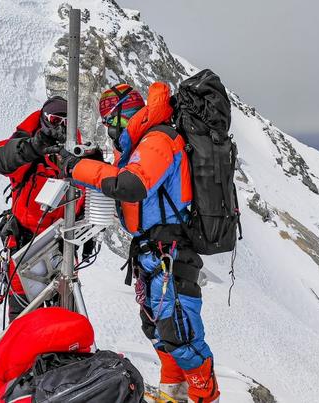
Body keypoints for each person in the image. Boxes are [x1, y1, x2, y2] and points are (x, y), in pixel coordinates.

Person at [58, 82, 220, 402]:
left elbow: (131, 185)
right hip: (151, 254)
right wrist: (92, 164)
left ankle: (205, 396)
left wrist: (76, 167)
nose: (106, 125)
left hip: (170, 253)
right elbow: (121, 178)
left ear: (123, 115)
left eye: (109, 116)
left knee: (182, 336)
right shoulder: (137, 146)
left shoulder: (158, 139)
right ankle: (173, 394)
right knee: (160, 332)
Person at [0, 96, 85, 321]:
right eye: (54, 120)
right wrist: (32, 147)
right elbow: (1, 158)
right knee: (23, 323)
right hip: (26, 251)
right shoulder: (28, 151)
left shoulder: (77, 157)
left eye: (66, 123)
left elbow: (86, 195)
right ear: (43, 120)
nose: (60, 128)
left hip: (63, 254)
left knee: (61, 324)